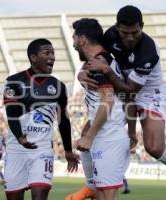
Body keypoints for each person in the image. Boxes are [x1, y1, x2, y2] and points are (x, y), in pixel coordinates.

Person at [78, 5, 166, 200]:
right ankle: (90, 186)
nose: (129, 38)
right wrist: (82, 72)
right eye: (125, 33)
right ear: (117, 28)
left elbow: (131, 90)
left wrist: (108, 71)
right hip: (120, 86)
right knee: (87, 134)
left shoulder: (149, 51)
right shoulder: (110, 36)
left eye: (135, 32)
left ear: (142, 26)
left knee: (154, 147)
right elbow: (95, 55)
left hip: (148, 92)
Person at [3, 38, 79, 200]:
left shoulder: (58, 86)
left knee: (40, 195)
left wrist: (68, 150)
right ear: (33, 57)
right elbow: (12, 114)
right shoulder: (14, 82)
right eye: (47, 53)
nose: (52, 57)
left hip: (42, 149)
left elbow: (63, 120)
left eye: (53, 53)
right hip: (16, 149)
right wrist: (20, 138)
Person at [66, 18, 131, 200]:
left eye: (74, 38)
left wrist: (89, 136)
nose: (72, 43)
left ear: (82, 40)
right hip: (107, 136)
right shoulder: (101, 60)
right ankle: (88, 186)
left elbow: (107, 102)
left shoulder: (99, 63)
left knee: (108, 196)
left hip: (109, 138)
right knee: (101, 195)